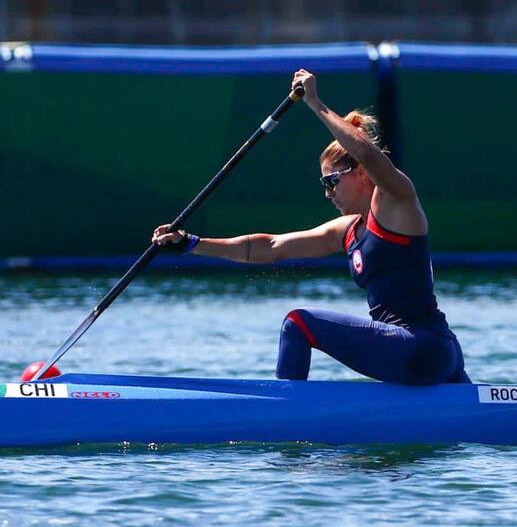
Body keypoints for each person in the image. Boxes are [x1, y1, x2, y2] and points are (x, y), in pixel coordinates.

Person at [153, 69, 470, 385]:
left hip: (417, 346)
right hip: (438, 353)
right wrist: (192, 243)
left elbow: (366, 152)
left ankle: (283, 410)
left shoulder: (396, 201)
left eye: (331, 182)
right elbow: (271, 247)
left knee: (297, 324)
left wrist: (315, 103)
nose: (327, 193)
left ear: (361, 174)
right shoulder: (347, 230)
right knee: (486, 408)